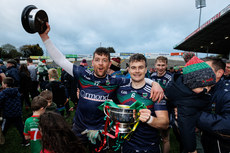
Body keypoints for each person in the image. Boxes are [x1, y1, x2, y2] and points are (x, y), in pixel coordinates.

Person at [38, 22, 163, 152]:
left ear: (109, 64)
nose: (101, 63)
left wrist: (154, 83)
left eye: (104, 60)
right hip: (79, 128)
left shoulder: (115, 80)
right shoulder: (83, 74)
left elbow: (136, 77)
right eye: (97, 60)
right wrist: (44, 37)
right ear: (93, 62)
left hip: (101, 132)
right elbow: (61, 60)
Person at [116, 54, 169, 153]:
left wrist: (149, 119)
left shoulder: (155, 92)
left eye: (140, 67)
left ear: (146, 70)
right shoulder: (120, 89)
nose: (136, 71)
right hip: (127, 145)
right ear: (128, 69)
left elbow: (165, 123)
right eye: (133, 68)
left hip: (150, 147)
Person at [165, 56, 216, 153]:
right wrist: (191, 149)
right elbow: (186, 129)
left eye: (210, 86)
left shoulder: (194, 91)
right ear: (190, 84)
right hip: (190, 134)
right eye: (203, 86)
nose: (207, 89)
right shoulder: (186, 101)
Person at [197, 57, 230, 153]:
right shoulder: (204, 88)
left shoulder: (226, 93)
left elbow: (227, 124)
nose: (199, 73)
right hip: (207, 141)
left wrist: (194, 115)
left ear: (219, 73)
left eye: (204, 69)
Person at [150, 56, 172, 153]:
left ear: (166, 65)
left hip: (165, 109)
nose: (160, 67)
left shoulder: (170, 77)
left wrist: (162, 96)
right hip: (153, 109)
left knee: (165, 138)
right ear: (155, 65)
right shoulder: (151, 76)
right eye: (158, 65)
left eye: (163, 65)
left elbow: (173, 94)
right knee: (152, 135)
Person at [0, 77, 29, 146]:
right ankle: (26, 141)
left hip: (7, 114)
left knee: (4, 128)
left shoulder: (3, 93)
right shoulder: (17, 91)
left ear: (5, 85)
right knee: (21, 127)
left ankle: (1, 140)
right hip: (17, 113)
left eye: (3, 83)